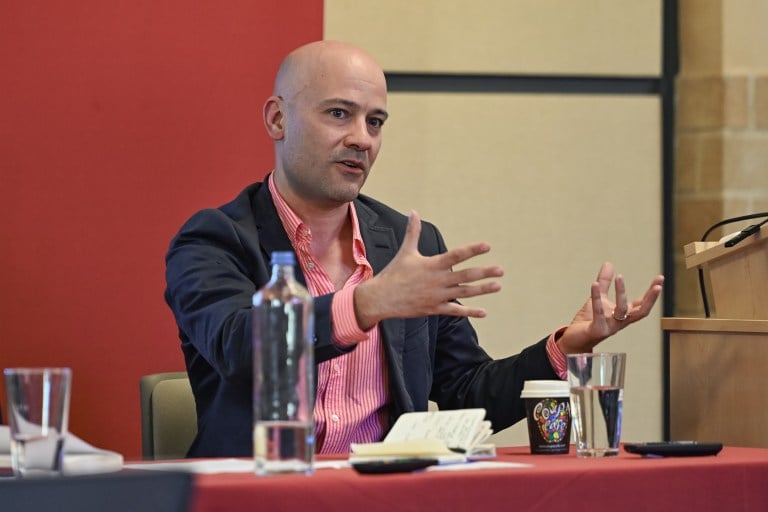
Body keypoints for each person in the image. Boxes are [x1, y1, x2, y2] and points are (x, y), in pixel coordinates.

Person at [164, 40, 664, 457]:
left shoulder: (409, 243)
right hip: (261, 498)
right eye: (339, 114)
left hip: (387, 495)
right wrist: (366, 304)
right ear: (278, 119)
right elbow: (236, 344)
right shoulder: (216, 238)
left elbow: (466, 391)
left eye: (375, 122)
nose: (361, 139)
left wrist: (566, 347)